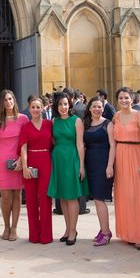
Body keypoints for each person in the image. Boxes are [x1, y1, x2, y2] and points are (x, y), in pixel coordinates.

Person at [107, 87, 140, 250]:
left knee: (138, 196)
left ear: (132, 99)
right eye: (121, 98)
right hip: (121, 157)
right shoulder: (116, 116)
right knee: (125, 196)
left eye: (126, 98)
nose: (123, 101)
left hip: (137, 155)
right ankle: (128, 232)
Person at [47, 91, 88, 245]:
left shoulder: (76, 121)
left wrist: (81, 165)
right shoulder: (53, 121)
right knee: (62, 197)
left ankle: (73, 230)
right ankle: (67, 228)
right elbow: (52, 140)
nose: (63, 107)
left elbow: (80, 144)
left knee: (71, 196)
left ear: (69, 104)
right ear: (56, 106)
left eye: (65, 104)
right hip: (58, 159)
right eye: (60, 104)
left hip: (72, 158)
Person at [0, 90, 29, 241]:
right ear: (1, 102)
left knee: (17, 195)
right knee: (5, 196)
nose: (9, 102)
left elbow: (27, 141)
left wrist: (22, 159)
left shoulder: (23, 119)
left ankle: (14, 227)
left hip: (18, 158)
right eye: (5, 100)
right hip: (2, 159)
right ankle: (6, 226)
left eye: (11, 99)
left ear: (14, 100)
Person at [19, 96, 54, 244]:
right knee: (31, 199)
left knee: (45, 199)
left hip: (46, 161)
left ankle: (46, 235)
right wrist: (25, 167)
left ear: (43, 108)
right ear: (29, 108)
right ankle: (34, 234)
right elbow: (23, 147)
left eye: (38, 107)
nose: (35, 110)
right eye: (33, 107)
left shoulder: (48, 124)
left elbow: (55, 142)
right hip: (31, 162)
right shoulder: (26, 126)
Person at [83, 96, 113, 246]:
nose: (97, 109)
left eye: (99, 106)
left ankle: (106, 233)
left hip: (103, 163)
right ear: (89, 108)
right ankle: (103, 229)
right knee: (96, 199)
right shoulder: (86, 124)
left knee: (100, 199)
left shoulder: (108, 124)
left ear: (103, 108)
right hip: (90, 163)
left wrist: (110, 165)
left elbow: (113, 146)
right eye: (94, 106)